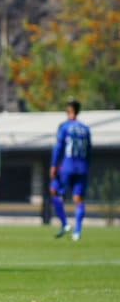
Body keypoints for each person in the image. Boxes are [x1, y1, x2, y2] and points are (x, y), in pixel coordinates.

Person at [51, 99, 91, 241]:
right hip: (83, 167)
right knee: (78, 199)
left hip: (68, 166)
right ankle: (77, 232)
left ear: (71, 111)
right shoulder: (86, 129)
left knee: (55, 192)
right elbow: (89, 151)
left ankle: (65, 223)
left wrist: (54, 166)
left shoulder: (66, 127)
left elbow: (59, 148)